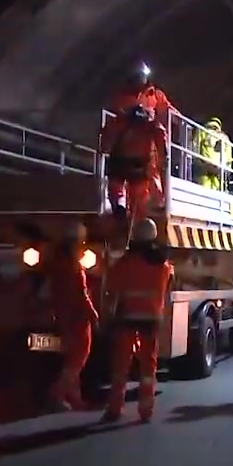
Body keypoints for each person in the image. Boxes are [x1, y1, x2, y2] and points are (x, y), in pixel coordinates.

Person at [103, 218, 174, 422]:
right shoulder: (163, 263)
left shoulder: (126, 261)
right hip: (151, 319)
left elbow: (111, 286)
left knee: (121, 365)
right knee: (148, 367)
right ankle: (146, 411)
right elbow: (168, 285)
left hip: (127, 317)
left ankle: (115, 409)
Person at [44, 223, 99, 411]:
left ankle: (75, 398)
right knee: (79, 358)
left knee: (70, 358)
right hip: (78, 317)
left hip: (63, 315)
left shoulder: (56, 262)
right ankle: (57, 393)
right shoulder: (74, 265)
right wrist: (93, 313)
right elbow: (81, 293)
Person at [100, 104, 168, 227]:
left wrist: (103, 149)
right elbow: (161, 137)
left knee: (117, 189)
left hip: (118, 162)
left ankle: (120, 209)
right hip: (139, 164)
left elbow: (106, 139)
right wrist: (163, 158)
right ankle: (136, 223)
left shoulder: (119, 121)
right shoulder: (151, 124)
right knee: (138, 196)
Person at [108, 63, 176, 127]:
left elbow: (167, 109)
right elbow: (117, 114)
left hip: (150, 133)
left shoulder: (155, 94)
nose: (142, 78)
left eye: (143, 75)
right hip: (128, 133)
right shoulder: (122, 96)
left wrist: (179, 119)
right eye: (139, 75)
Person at [196, 116, 232, 190]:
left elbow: (194, 147)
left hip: (205, 169)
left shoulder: (201, 132)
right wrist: (227, 170)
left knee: (203, 191)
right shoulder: (225, 138)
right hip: (219, 171)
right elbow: (229, 158)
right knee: (218, 190)